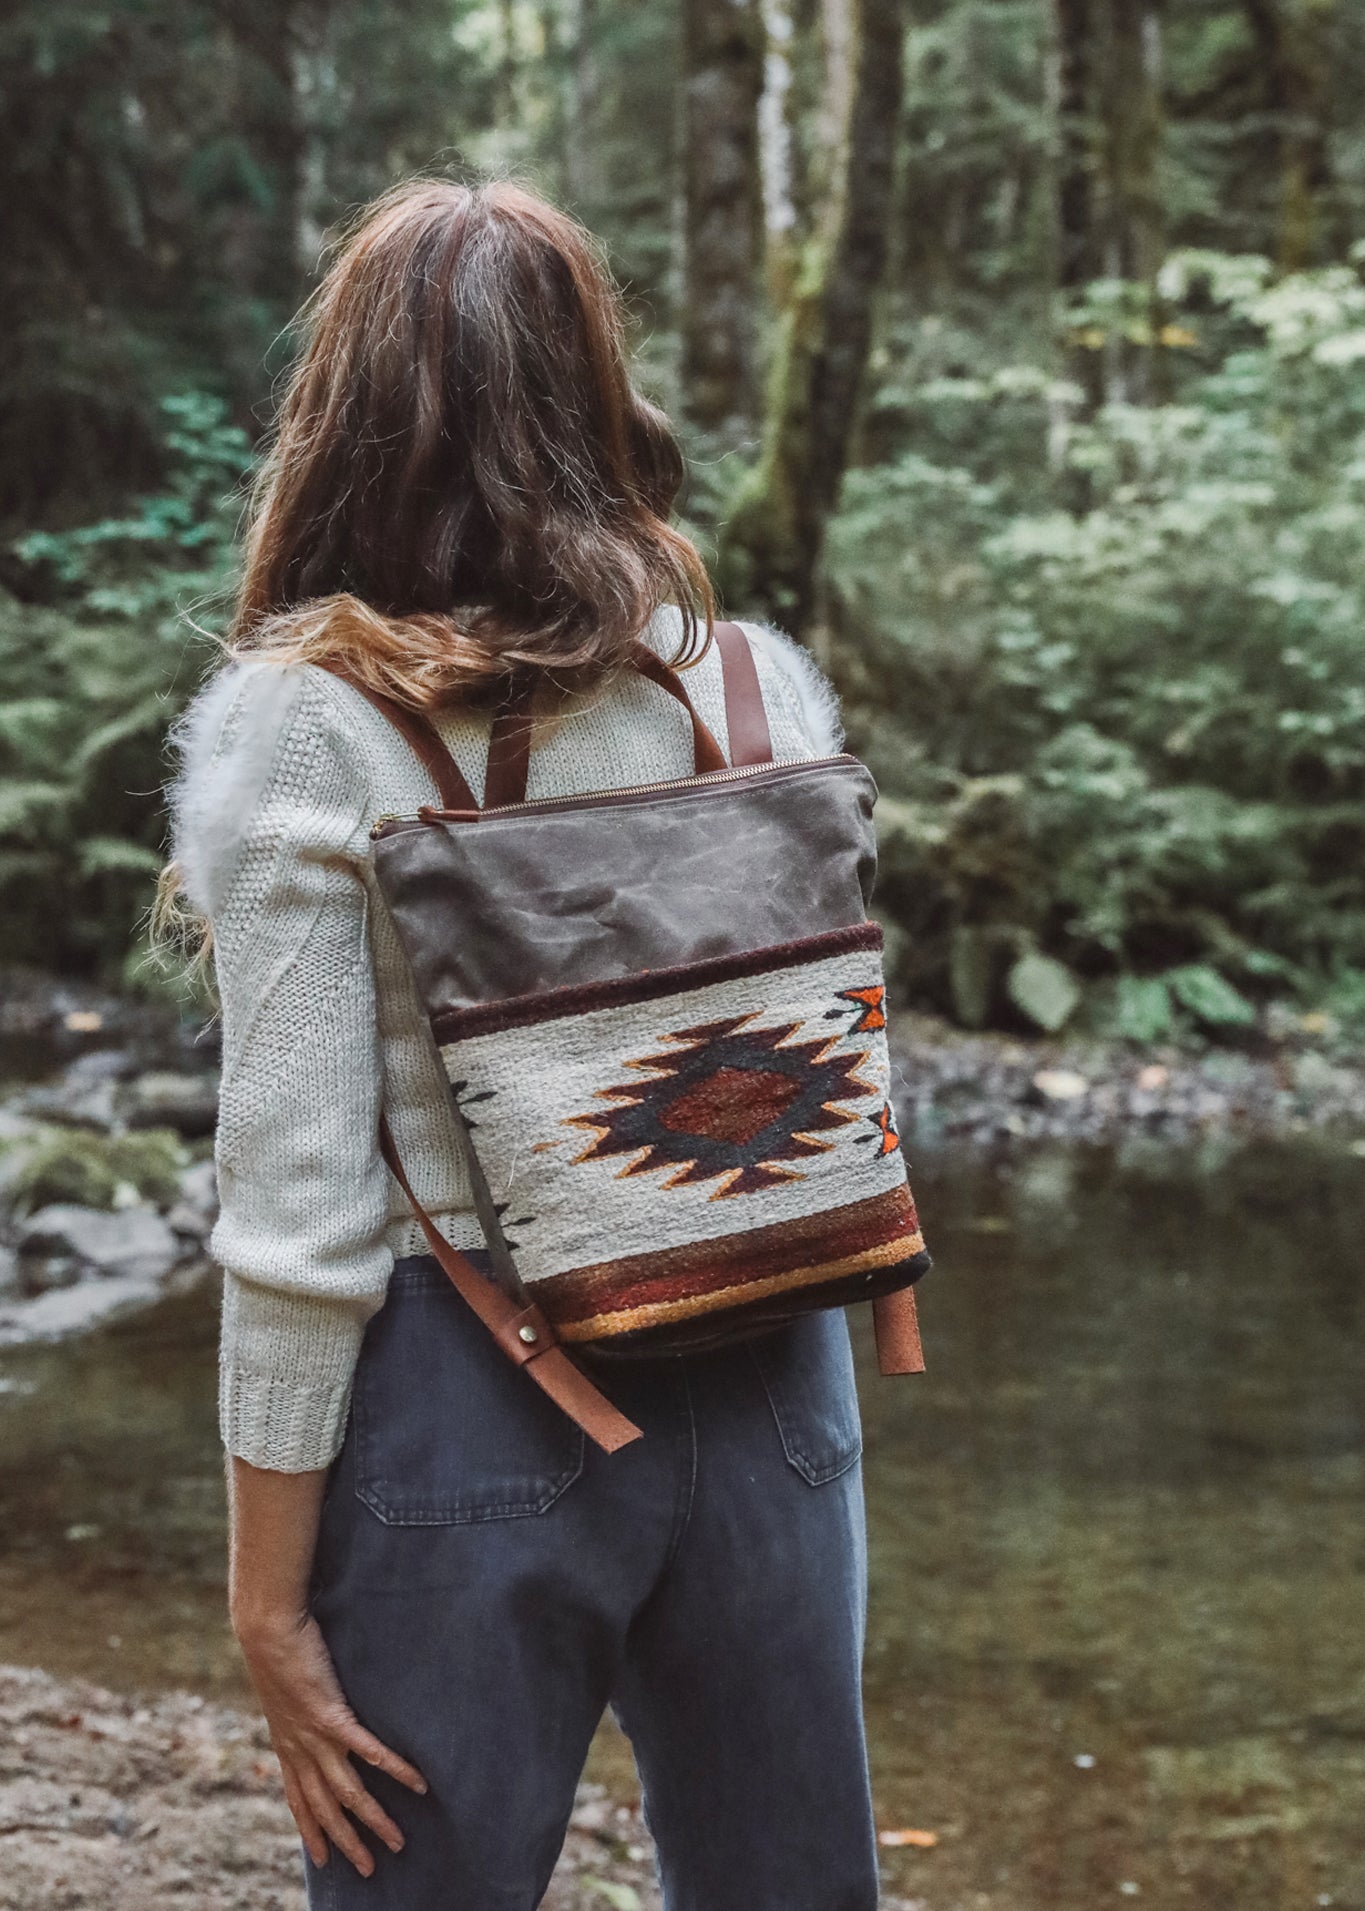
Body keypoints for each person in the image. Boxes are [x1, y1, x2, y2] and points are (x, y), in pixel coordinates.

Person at [164, 177, 880, 1911]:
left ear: (342, 415)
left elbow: (302, 1208)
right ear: (591, 387)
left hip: (462, 1403)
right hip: (774, 1371)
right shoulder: (748, 690)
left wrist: (265, 1603)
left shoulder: (307, 729)